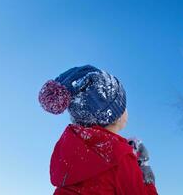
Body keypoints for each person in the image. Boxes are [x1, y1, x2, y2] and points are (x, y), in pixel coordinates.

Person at [38, 65, 158, 195]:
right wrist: (144, 169)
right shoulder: (120, 156)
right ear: (114, 115)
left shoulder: (67, 153)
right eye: (124, 105)